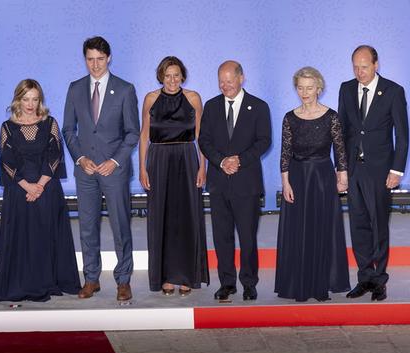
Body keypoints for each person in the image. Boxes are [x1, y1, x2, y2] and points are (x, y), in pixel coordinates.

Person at [62, 36, 140, 302]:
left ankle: (123, 280)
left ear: (109, 58)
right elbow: (68, 130)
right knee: (87, 227)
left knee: (120, 226)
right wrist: (80, 158)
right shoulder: (75, 88)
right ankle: (91, 279)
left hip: (114, 171)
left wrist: (115, 161)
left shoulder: (125, 89)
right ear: (85, 59)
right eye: (90, 59)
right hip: (85, 171)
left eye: (99, 59)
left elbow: (133, 132)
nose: (94, 65)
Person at [0, 79, 81, 303]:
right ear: (17, 100)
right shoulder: (7, 127)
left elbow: (55, 156)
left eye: (35, 99)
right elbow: (7, 161)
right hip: (18, 191)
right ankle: (21, 284)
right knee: (21, 238)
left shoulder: (50, 123)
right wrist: (26, 185)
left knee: (45, 236)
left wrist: (39, 186)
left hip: (47, 190)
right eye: (26, 99)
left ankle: (47, 282)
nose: (30, 104)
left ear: (40, 100)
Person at [197, 61, 272, 301]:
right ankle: (227, 283)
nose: (224, 86)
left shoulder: (259, 107)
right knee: (222, 236)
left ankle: (249, 283)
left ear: (241, 78)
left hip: (246, 183)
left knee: (248, 237)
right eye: (221, 81)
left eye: (229, 80)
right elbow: (204, 141)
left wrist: (239, 160)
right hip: (219, 183)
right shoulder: (211, 106)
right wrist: (221, 161)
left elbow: (264, 141)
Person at [275, 66, 351, 302]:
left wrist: (343, 177)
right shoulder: (290, 117)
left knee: (322, 228)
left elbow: (340, 151)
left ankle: (321, 282)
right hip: (297, 178)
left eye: (309, 88)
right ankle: (298, 282)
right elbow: (285, 154)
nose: (304, 92)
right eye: (300, 87)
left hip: (322, 178)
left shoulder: (331, 117)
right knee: (297, 230)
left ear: (319, 88)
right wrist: (285, 183)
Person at [339, 45, 409, 302]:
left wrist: (397, 170)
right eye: (355, 66)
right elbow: (343, 132)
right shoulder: (346, 89)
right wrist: (341, 168)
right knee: (358, 225)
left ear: (376, 64)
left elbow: (402, 135)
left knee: (378, 224)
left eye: (365, 66)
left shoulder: (393, 91)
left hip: (381, 171)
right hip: (354, 170)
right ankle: (364, 277)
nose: (359, 72)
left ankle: (380, 280)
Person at [138, 56, 209, 296]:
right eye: (167, 75)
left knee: (187, 217)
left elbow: (201, 136)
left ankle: (187, 275)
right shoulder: (150, 99)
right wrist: (142, 168)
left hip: (187, 159)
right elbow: (144, 136)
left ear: (183, 76)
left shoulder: (193, 98)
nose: (172, 80)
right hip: (158, 160)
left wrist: (202, 167)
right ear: (161, 76)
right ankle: (166, 276)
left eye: (176, 75)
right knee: (162, 218)